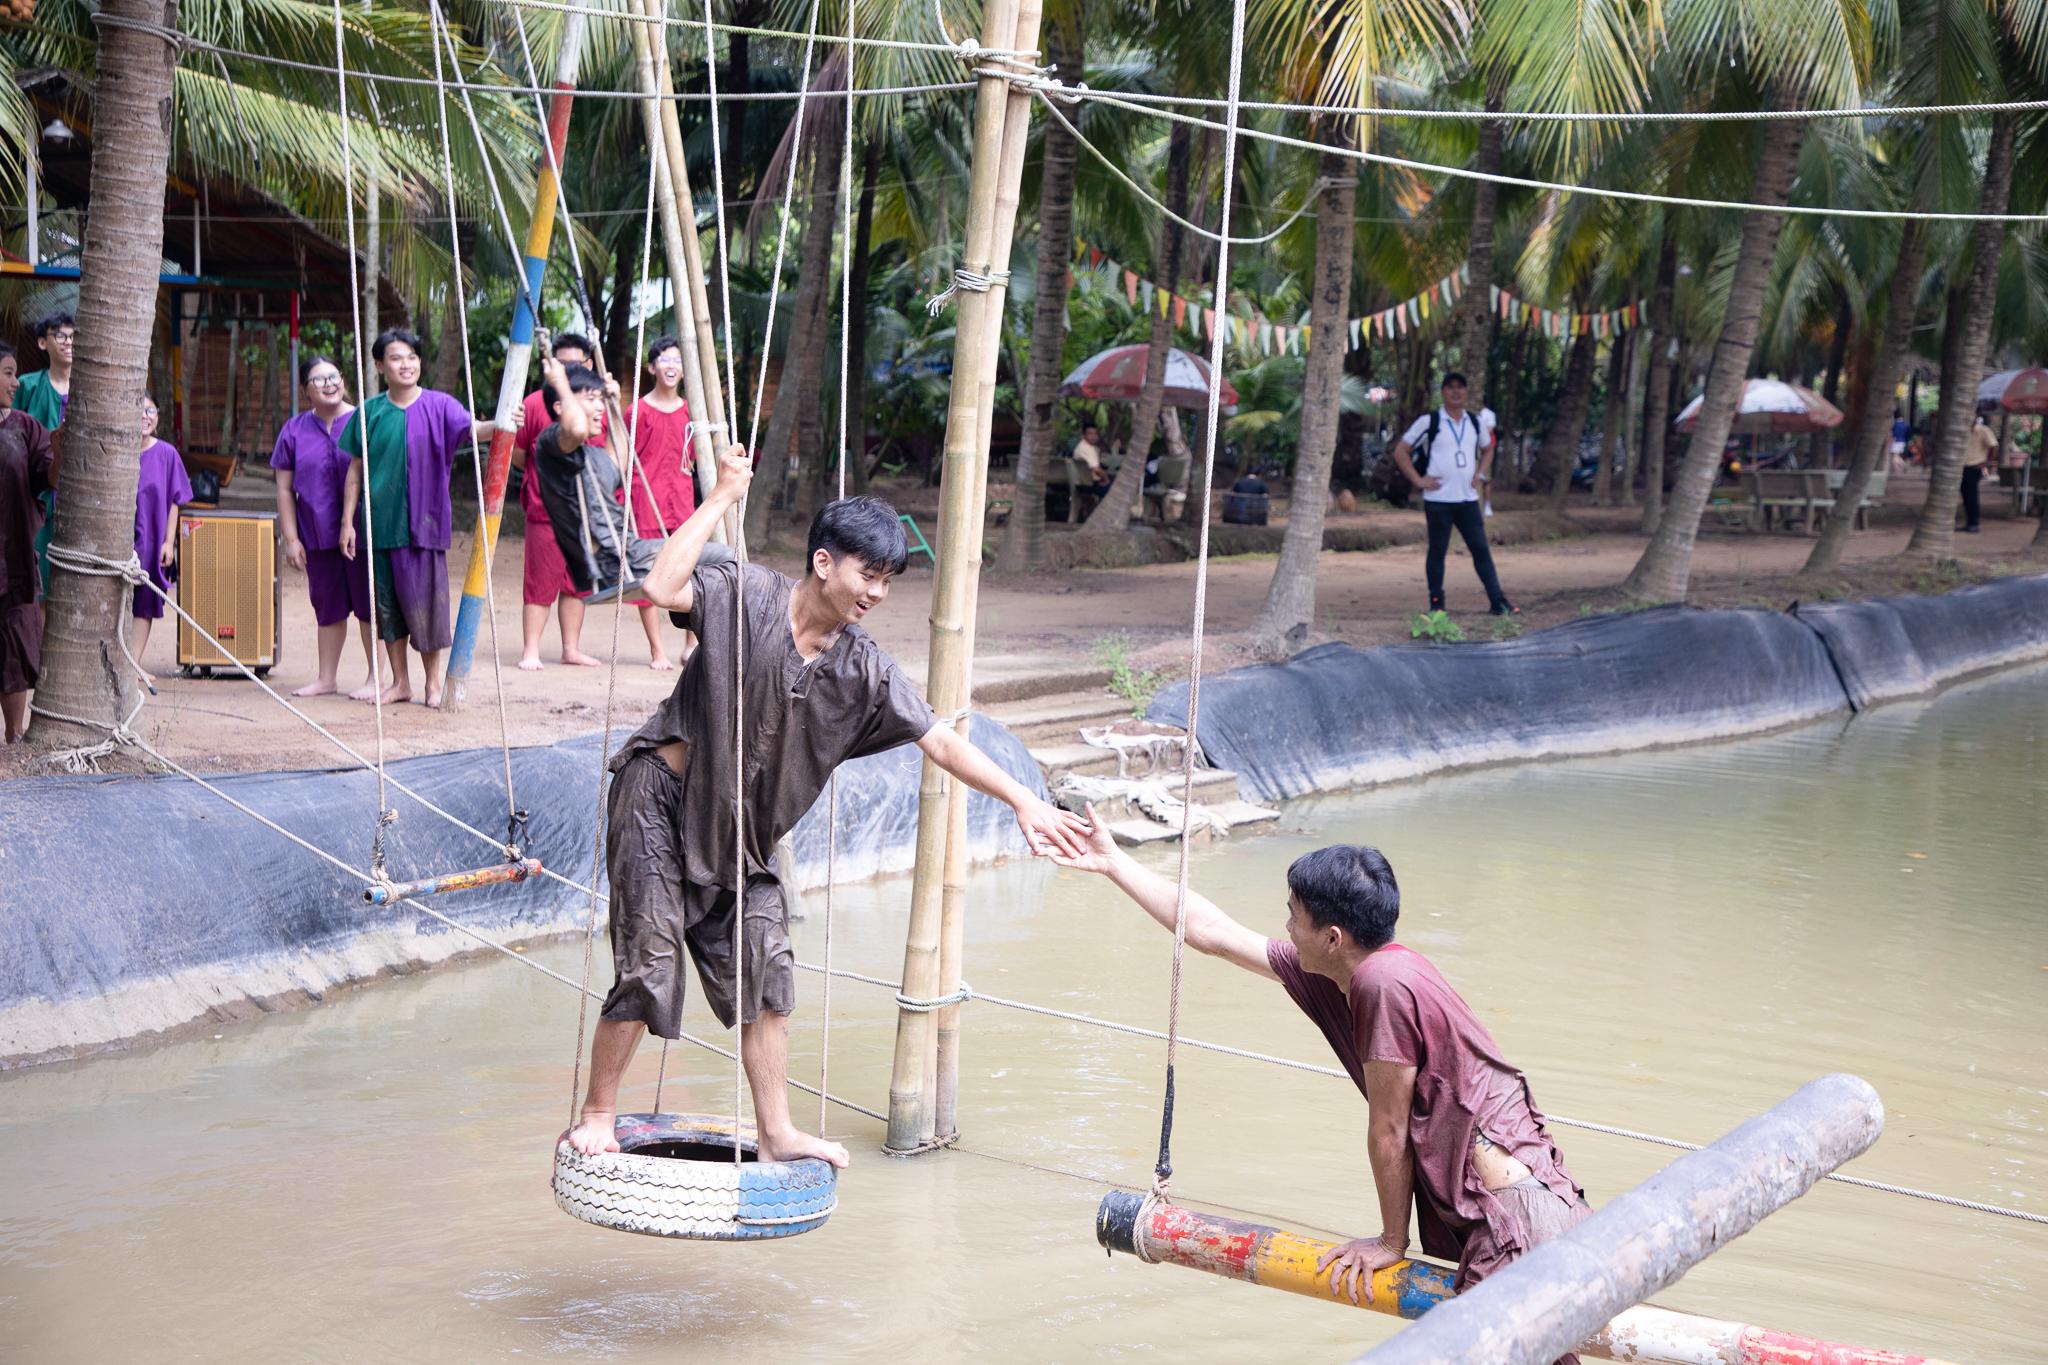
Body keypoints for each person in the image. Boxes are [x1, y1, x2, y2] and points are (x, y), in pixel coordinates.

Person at [564, 452, 1090, 1164]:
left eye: (886, 581)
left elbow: (938, 737)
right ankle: (598, 1111)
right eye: (866, 574)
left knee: (769, 966)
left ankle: (777, 1132)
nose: (876, 591)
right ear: (823, 562)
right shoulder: (745, 594)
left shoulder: (862, 668)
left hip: (741, 839)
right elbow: (659, 585)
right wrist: (722, 492)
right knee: (652, 962)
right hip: (657, 798)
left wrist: (1026, 798)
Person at [1050, 814, 1591, 1332]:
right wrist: (1115, 862)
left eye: (1293, 915)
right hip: (1524, 1210)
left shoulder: (1383, 985)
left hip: (1516, 1223)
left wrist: (1389, 1241)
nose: (1286, 926)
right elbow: (1210, 930)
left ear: (1333, 937)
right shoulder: (1349, 974)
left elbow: (1389, 1130)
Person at [337, 328, 492, 708]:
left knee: (427, 610)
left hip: (426, 524)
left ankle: (432, 685)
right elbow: (354, 471)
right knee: (388, 609)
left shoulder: (441, 405)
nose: (405, 364)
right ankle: (400, 682)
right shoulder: (369, 412)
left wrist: (504, 422)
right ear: (379, 365)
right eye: (395, 357)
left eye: (411, 356)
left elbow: (475, 432)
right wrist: (346, 522)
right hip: (379, 525)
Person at [271, 357, 376, 699]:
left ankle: (376, 677)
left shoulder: (366, 419)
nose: (328, 384)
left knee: (368, 604)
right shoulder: (295, 430)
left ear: (343, 381)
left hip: (366, 533)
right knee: (327, 605)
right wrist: (291, 538)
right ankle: (326, 678)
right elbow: (285, 488)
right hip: (316, 532)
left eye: (333, 376)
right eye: (318, 380)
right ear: (306, 391)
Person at [514, 333, 606, 671]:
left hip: (583, 510)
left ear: (588, 364)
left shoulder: (596, 402)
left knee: (575, 582)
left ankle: (571, 648)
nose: (569, 368)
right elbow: (519, 453)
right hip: (546, 508)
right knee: (540, 581)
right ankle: (531, 650)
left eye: (576, 363)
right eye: (562, 362)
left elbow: (608, 453)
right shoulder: (538, 402)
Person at [1390, 373, 1516, 616]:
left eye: (1460, 387)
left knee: (1480, 549)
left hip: (1467, 499)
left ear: (1467, 392)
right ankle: (1437, 604)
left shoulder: (1474, 422)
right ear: (1443, 392)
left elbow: (1488, 449)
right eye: (1450, 388)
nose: (1456, 392)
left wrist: (1480, 474)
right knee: (1437, 551)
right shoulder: (1430, 422)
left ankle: (1497, 600)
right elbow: (1401, 451)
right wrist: (1417, 480)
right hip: (1438, 500)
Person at [620, 335, 698, 671]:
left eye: (677, 360)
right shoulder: (635, 412)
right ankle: (657, 651)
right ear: (652, 367)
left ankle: (691, 645)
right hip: (644, 502)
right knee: (648, 575)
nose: (671, 365)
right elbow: (623, 461)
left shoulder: (693, 413)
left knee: (692, 570)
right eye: (664, 359)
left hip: (682, 502)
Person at [528, 360, 636, 598]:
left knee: (720, 564)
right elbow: (575, 429)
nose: (599, 408)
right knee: (719, 563)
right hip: (609, 562)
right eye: (591, 399)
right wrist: (559, 383)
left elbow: (618, 461)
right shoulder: (550, 443)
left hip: (628, 554)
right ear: (560, 406)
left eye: (600, 399)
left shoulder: (592, 456)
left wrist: (613, 404)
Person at [0, 342, 55, 742]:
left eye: (15, 372)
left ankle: (14, 736)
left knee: (14, 650)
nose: (14, 382)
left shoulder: (25, 427)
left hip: (13, 559)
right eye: (6, 372)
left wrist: (66, 445)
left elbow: (49, 477)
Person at [129, 399, 192, 687]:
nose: (145, 415)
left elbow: (176, 501)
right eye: (138, 409)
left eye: (150, 410)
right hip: (120, 541)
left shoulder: (167, 453)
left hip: (152, 541)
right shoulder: (119, 451)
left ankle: (133, 663)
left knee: (144, 602)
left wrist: (169, 542)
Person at [16, 311, 71, 594]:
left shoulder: (93, 391)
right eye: (60, 335)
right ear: (42, 343)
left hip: (78, 503)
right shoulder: (26, 385)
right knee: (36, 586)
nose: (68, 342)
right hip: (36, 498)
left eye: (74, 336)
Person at [1962, 414, 1996, 534]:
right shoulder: (1962, 430)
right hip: (1962, 467)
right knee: (1965, 496)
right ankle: (1969, 522)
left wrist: (1987, 463)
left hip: (1975, 466)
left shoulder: (1983, 430)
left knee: (1971, 496)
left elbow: (1993, 446)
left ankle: (1973, 524)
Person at [1071, 423, 1113, 489]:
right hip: (1089, 484)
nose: (1093, 436)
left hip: (1082, 481)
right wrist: (1106, 479)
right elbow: (1096, 469)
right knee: (1117, 484)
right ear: (1084, 435)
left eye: (1095, 434)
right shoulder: (1087, 448)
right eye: (1090, 434)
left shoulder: (1081, 445)